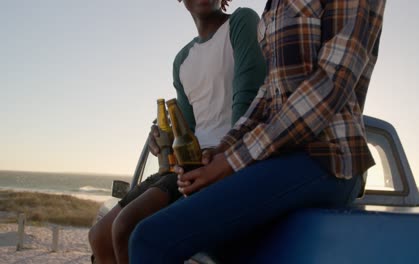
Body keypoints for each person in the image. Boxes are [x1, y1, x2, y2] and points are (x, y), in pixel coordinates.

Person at [129, 0, 387, 263]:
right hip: (273, 158)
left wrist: (232, 160)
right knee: (223, 246)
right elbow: (266, 95)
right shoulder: (273, 4)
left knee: (149, 239)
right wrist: (224, 148)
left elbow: (330, 84)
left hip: (328, 157)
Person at [87, 0, 266, 263]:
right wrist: (163, 140)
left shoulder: (242, 22)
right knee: (99, 237)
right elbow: (189, 128)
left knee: (125, 228)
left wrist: (222, 155)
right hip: (188, 162)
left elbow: (248, 98)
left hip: (223, 158)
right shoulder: (182, 60)